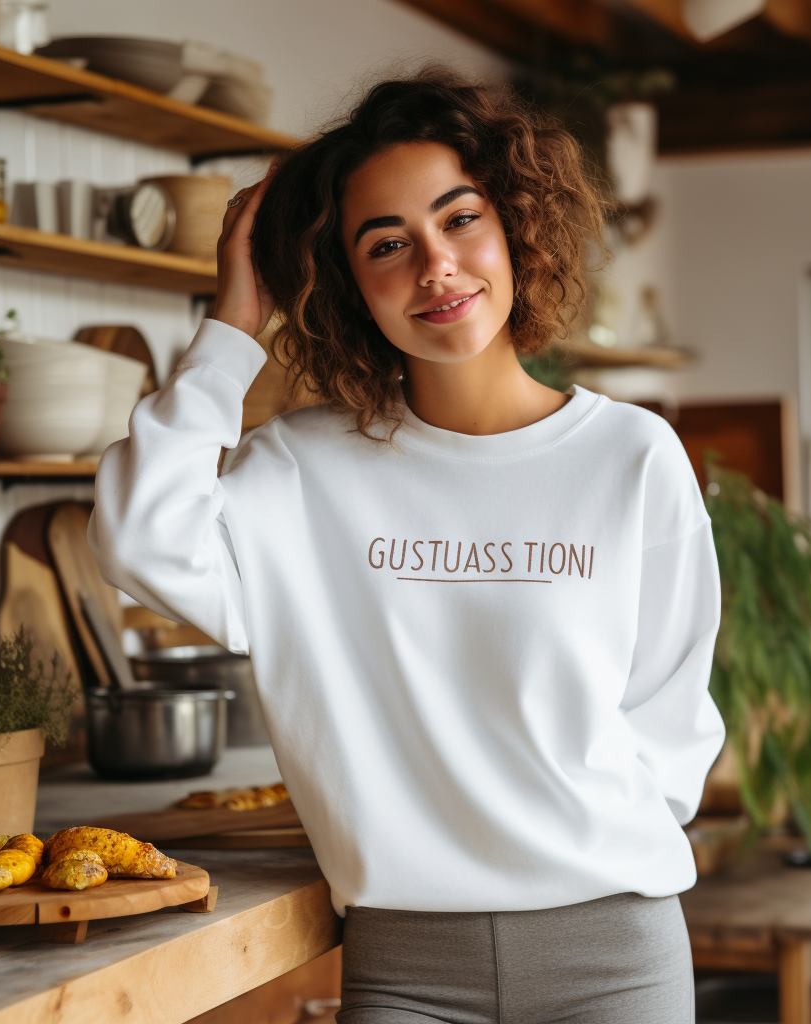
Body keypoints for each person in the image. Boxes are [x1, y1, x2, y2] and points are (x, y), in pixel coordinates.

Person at [89, 71, 724, 1023]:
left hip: (614, 954)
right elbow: (138, 537)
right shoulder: (301, 472)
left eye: (459, 219)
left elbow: (670, 720)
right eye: (387, 243)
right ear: (350, 282)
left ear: (514, 225)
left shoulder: (631, 458)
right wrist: (231, 327)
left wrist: (577, 834)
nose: (436, 265)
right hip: (406, 967)